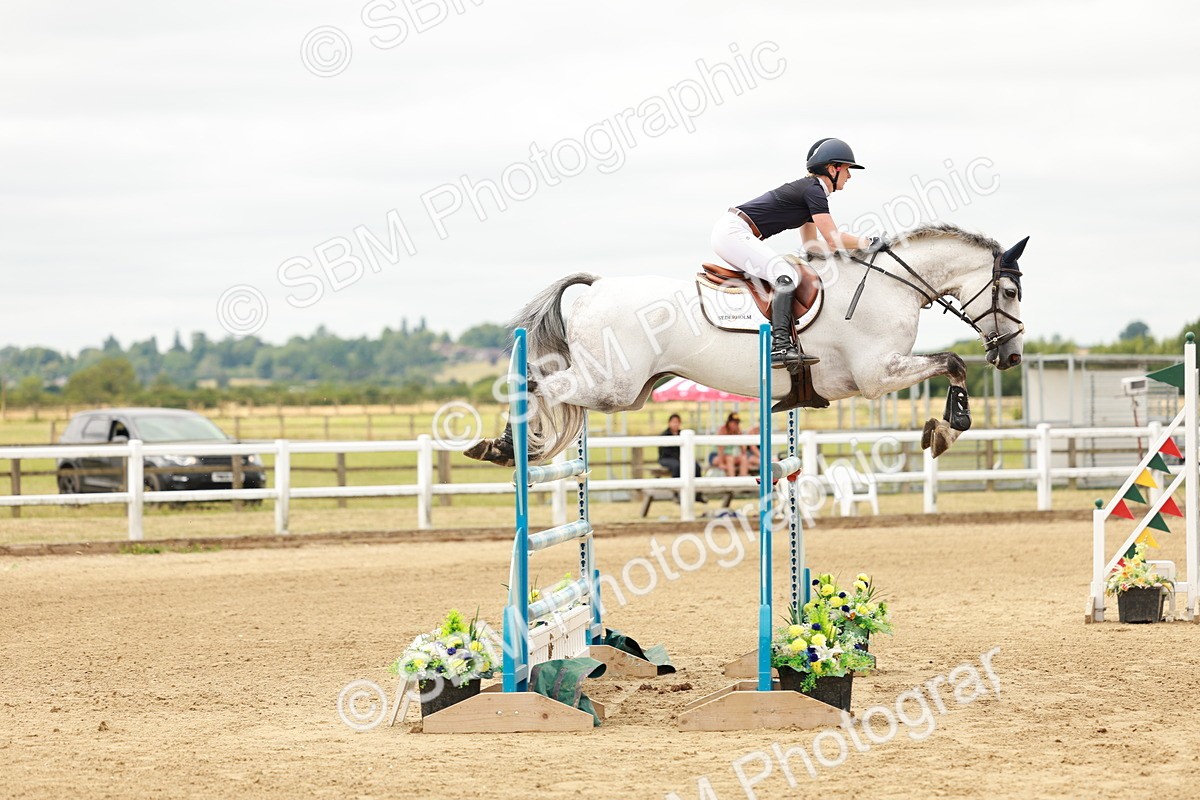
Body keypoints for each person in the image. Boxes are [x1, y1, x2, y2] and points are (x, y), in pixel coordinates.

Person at [711, 137, 885, 370]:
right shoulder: (814, 191)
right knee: (785, 274)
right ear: (833, 169)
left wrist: (851, 253)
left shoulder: (811, 191)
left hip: (733, 231)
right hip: (733, 232)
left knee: (785, 272)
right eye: (847, 169)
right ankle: (781, 346)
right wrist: (868, 241)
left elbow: (813, 245)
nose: (850, 176)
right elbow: (833, 238)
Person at [657, 413, 702, 479]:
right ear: (669, 423)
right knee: (677, 466)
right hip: (666, 458)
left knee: (695, 466)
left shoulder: (682, 434)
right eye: (673, 422)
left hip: (680, 457)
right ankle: (676, 485)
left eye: (677, 422)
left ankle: (697, 485)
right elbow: (664, 452)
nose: (675, 424)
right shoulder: (664, 435)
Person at [715, 413, 749, 477]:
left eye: (737, 423)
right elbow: (720, 449)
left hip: (732, 456)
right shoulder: (722, 430)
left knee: (743, 458)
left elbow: (743, 450)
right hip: (717, 456)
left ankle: (743, 479)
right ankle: (732, 480)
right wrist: (721, 463)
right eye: (735, 423)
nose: (736, 425)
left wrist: (739, 435)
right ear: (729, 423)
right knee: (729, 458)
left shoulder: (738, 431)